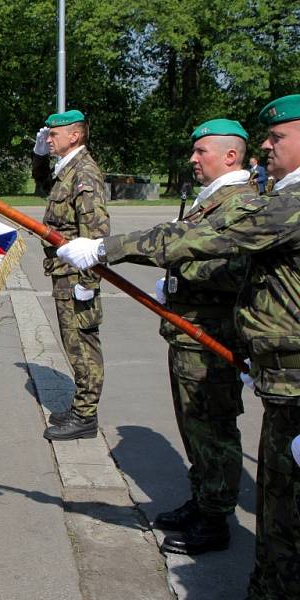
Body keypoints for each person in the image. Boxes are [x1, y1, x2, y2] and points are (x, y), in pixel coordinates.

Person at [55, 94, 300, 600]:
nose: (265, 146)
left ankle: (220, 522)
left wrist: (105, 250)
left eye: (276, 138)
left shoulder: (269, 204)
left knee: (265, 492)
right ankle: (213, 511)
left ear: (228, 157)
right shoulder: (260, 197)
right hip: (265, 362)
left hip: (234, 349)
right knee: (220, 449)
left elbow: (209, 247)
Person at [151, 119, 252, 555]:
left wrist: (179, 276)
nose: (193, 159)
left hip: (213, 337)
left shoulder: (242, 203)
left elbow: (233, 270)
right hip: (189, 334)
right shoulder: (211, 198)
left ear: (231, 155)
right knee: (194, 427)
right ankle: (203, 498)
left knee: (214, 429)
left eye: (202, 151)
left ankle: (215, 518)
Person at [32, 109, 110, 441]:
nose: (49, 139)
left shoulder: (85, 175)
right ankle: (80, 407)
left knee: (83, 346)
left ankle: (85, 416)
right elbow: (41, 185)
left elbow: (96, 235)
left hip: (76, 278)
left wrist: (88, 286)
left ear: (74, 136)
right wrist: (38, 155)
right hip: (64, 274)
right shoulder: (68, 171)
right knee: (72, 343)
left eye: (53, 135)